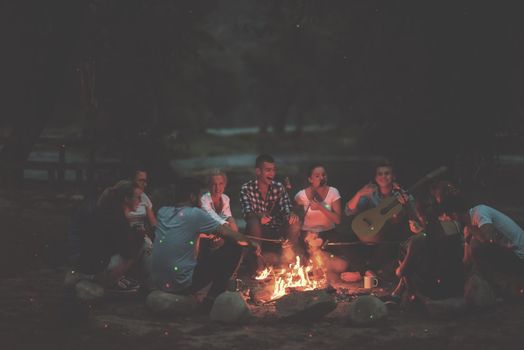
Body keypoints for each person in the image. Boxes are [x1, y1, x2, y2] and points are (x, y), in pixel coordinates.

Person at [151, 177, 258, 311]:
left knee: (202, 243)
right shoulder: (195, 214)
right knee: (235, 247)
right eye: (200, 196)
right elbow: (233, 236)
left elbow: (179, 231)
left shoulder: (163, 212)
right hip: (181, 284)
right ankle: (211, 300)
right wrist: (252, 243)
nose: (202, 200)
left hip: (159, 282)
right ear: (192, 197)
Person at [342, 161, 417, 282]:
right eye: (380, 174)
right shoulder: (371, 193)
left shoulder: (402, 195)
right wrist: (359, 194)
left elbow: (415, 216)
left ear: (393, 177)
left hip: (388, 239)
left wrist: (407, 204)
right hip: (369, 236)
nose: (383, 177)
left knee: (393, 242)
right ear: (376, 177)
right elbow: (348, 211)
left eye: (387, 173)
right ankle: (367, 272)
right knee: (345, 242)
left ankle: (363, 273)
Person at [440, 195, 524, 298]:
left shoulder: (479, 211)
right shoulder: (468, 228)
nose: (448, 223)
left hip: (519, 255)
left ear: (454, 215)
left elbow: (489, 239)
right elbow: (467, 260)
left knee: (477, 246)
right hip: (509, 256)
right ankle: (494, 288)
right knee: (474, 249)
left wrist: (470, 229)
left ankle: (501, 288)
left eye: (447, 218)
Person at [76, 181, 149, 292]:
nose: (140, 202)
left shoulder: (104, 210)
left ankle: (121, 278)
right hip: (98, 272)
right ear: (126, 199)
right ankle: (115, 282)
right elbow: (128, 252)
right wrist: (139, 235)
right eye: (137, 198)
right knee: (142, 244)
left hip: (85, 267)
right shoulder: (118, 220)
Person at [239, 154, 300, 271]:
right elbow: (247, 213)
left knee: (295, 221)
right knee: (253, 221)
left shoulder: (279, 187)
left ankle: (290, 262)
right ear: (258, 171)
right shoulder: (246, 188)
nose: (272, 174)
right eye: (268, 170)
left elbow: (286, 208)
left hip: (276, 229)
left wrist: (290, 214)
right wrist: (258, 215)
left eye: (273, 170)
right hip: (257, 231)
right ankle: (257, 265)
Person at [126, 169, 157, 238]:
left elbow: (153, 222)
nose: (144, 184)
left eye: (145, 181)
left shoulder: (144, 198)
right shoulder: (123, 198)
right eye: (141, 180)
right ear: (132, 181)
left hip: (142, 236)